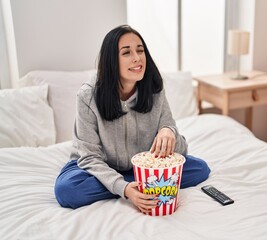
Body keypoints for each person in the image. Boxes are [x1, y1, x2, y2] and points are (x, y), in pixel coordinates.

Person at [54, 25, 211, 212]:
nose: (137, 58)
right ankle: (142, 185)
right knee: (68, 190)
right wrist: (125, 188)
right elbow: (89, 157)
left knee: (200, 169)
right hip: (96, 168)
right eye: (126, 53)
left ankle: (141, 183)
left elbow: (181, 150)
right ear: (112, 60)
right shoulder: (88, 96)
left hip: (145, 168)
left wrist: (169, 131)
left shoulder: (154, 90)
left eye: (140, 50)